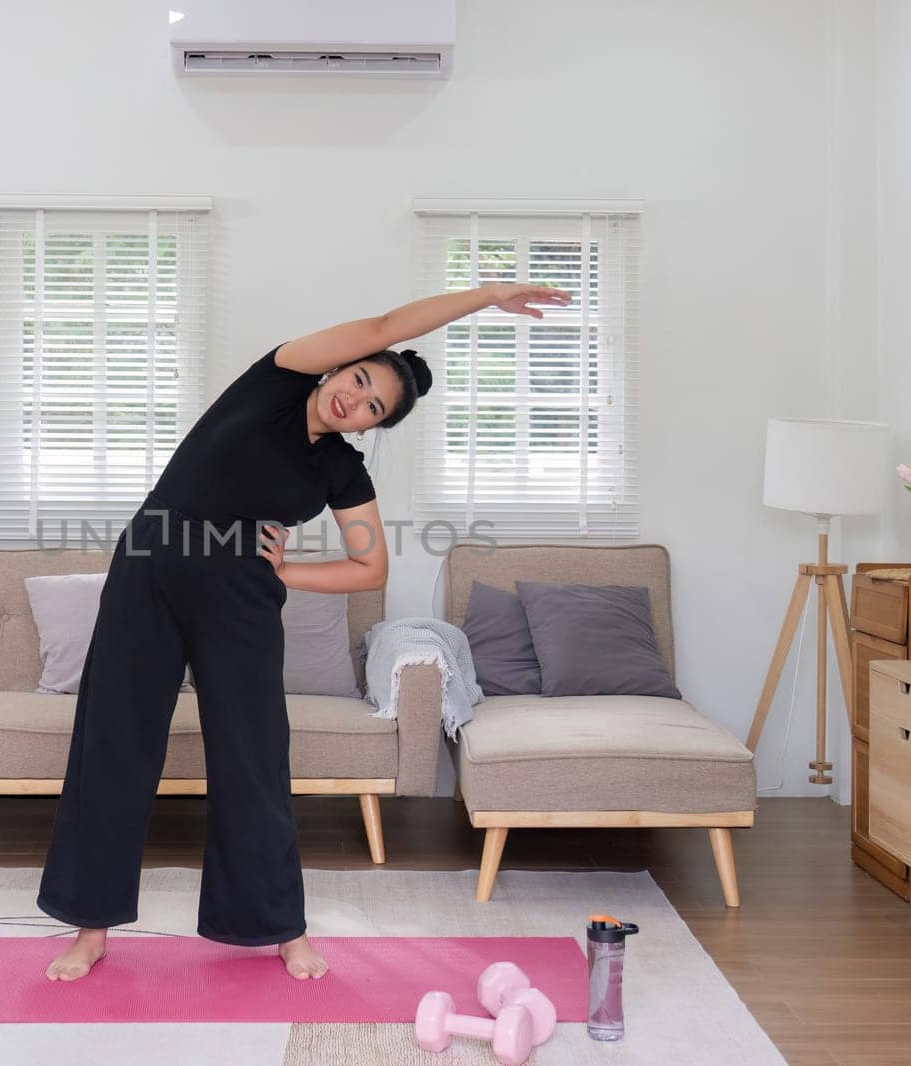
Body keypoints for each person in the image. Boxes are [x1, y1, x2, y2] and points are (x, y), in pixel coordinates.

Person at [37, 281, 572, 982]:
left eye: (374, 405)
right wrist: (485, 296)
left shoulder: (338, 468)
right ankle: (91, 929)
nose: (356, 399)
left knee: (255, 761)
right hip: (151, 570)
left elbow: (370, 566)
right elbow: (384, 318)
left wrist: (289, 574)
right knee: (115, 745)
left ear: (372, 426)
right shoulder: (276, 381)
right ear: (336, 368)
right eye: (357, 380)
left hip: (241, 599)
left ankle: (282, 928)